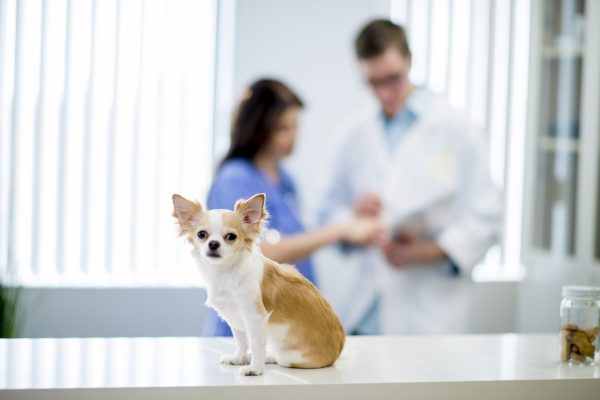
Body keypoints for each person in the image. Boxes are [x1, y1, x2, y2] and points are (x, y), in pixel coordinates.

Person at [321, 20, 503, 334]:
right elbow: (327, 211)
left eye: (393, 79)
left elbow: (486, 218)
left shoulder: (459, 129)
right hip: (367, 312)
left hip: (429, 311)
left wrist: (425, 252)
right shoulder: (353, 133)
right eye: (373, 82)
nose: (384, 92)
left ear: (410, 60)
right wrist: (354, 216)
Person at [203, 78, 382, 336]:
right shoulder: (235, 179)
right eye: (283, 128)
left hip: (283, 328)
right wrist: (339, 230)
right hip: (243, 332)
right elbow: (257, 253)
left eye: (295, 125)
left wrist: (352, 216)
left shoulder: (285, 181)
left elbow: (297, 239)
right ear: (259, 129)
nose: (293, 135)